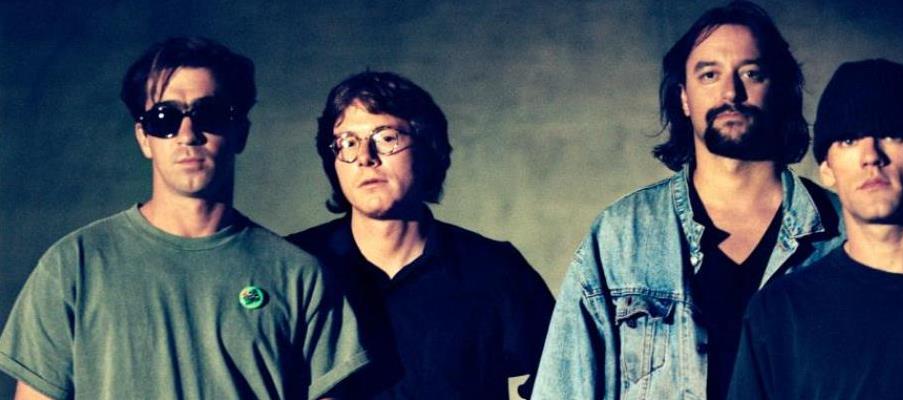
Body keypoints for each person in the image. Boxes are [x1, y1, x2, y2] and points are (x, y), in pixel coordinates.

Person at [0, 37, 369, 399]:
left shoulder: (298, 276)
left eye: (209, 114)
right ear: (144, 138)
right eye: (165, 118)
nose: (188, 134)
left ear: (240, 132)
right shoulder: (74, 266)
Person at [533, 2, 845, 399]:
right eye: (709, 74)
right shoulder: (622, 237)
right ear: (683, 97)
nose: (731, 92)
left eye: (751, 73)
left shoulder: (843, 235)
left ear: (781, 90)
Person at [727, 59, 903, 400]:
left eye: (892, 134)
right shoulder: (780, 313)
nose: (871, 155)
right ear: (827, 168)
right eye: (848, 140)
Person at [287, 71, 554, 399]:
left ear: (428, 149)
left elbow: (563, 382)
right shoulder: (294, 266)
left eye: (386, 138)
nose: (366, 157)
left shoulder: (495, 268)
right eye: (348, 142)